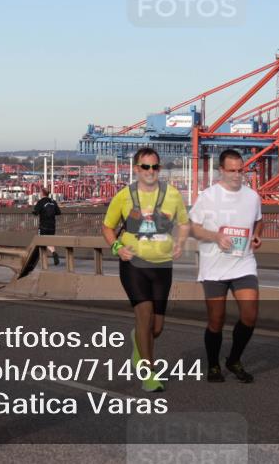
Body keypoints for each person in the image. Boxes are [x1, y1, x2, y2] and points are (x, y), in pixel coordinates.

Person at [102, 148, 189, 392]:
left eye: (155, 167)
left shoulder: (172, 195)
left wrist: (181, 243)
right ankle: (149, 374)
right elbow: (107, 228)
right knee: (144, 314)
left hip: (162, 266)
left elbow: (184, 223)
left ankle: (137, 340)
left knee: (157, 327)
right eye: (146, 167)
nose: (151, 171)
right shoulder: (123, 196)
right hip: (134, 265)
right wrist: (117, 247)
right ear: (137, 169)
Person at [189, 149, 263, 384]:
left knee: (250, 315)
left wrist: (257, 236)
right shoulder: (208, 197)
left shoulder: (252, 196)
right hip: (214, 266)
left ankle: (234, 359)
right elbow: (194, 227)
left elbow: (259, 221)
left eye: (240, 170)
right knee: (216, 320)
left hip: (243, 263)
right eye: (232, 171)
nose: (236, 175)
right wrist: (215, 236)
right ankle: (213, 365)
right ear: (221, 170)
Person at [32, 187, 62, 265]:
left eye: (40, 192)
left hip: (43, 226)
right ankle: (54, 252)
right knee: (50, 241)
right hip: (52, 226)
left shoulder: (41, 202)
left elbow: (35, 212)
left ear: (42, 193)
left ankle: (43, 261)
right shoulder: (53, 201)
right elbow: (58, 212)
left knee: (40, 241)